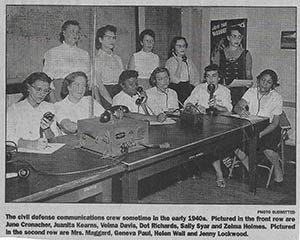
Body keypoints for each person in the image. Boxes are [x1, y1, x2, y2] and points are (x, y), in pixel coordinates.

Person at [184, 64, 233, 187]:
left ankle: (220, 170)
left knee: (214, 143)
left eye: (214, 76)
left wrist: (217, 106)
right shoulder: (199, 88)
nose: (211, 79)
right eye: (208, 76)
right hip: (201, 124)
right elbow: (187, 104)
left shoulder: (225, 91)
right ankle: (219, 171)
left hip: (219, 125)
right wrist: (194, 107)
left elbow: (229, 110)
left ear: (219, 78)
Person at [234, 69, 284, 186]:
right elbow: (237, 106)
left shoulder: (277, 97)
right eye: (263, 80)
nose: (264, 84)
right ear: (258, 80)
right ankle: (252, 170)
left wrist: (260, 134)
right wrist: (241, 111)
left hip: (269, 128)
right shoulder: (251, 92)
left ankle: (277, 168)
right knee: (234, 145)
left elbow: (275, 123)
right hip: (251, 125)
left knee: (268, 150)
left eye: (269, 82)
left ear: (273, 85)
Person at [7, 72, 60, 150]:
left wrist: (47, 129)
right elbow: (7, 137)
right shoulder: (14, 110)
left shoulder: (49, 107)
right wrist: (31, 144)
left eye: (46, 91)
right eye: (38, 89)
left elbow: (54, 139)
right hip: (22, 154)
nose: (42, 94)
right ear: (28, 87)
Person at [43, 20, 90, 102]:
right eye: (72, 31)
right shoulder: (52, 53)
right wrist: (54, 100)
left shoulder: (84, 54)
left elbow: (89, 77)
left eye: (78, 32)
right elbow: (47, 80)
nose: (75, 35)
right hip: (60, 93)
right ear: (64, 33)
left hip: (80, 92)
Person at [212, 25, 253, 106]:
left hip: (240, 92)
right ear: (228, 37)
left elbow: (248, 74)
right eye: (234, 36)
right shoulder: (219, 54)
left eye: (239, 37)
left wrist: (249, 82)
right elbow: (214, 73)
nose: (237, 39)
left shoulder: (246, 54)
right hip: (223, 90)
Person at [94, 25, 124, 108]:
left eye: (114, 38)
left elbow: (123, 80)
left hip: (119, 92)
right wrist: (111, 101)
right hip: (105, 94)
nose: (112, 41)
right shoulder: (97, 59)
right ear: (100, 40)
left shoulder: (118, 59)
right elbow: (99, 84)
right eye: (108, 38)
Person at [165, 36, 200, 105]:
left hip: (188, 89)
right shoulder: (170, 62)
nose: (182, 48)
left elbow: (195, 78)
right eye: (179, 46)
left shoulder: (188, 61)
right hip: (176, 91)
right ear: (173, 48)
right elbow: (175, 80)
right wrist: (180, 63)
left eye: (184, 46)